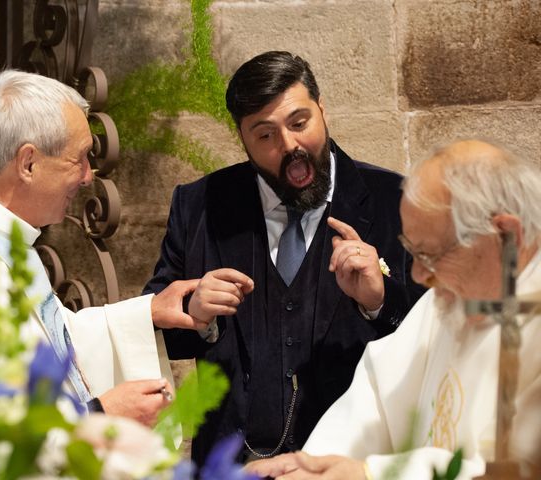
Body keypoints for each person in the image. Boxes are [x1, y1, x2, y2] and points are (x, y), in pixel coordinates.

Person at [143, 51, 424, 464]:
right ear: (243, 139)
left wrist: (379, 300)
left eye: (299, 123)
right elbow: (157, 321)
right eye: (265, 135)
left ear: (322, 111)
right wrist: (196, 314)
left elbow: (432, 334)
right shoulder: (198, 205)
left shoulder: (396, 200)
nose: (289, 145)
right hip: (233, 466)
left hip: (353, 464)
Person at [0, 70, 203, 442]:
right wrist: (97, 415)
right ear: (28, 163)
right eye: (79, 158)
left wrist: (147, 314)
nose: (89, 176)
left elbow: (52, 338)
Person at [246, 140, 541, 479]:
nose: (419, 275)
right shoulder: (450, 300)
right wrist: (315, 464)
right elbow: (377, 394)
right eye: (412, 252)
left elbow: (520, 470)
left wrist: (371, 474)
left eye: (430, 255)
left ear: (506, 236)